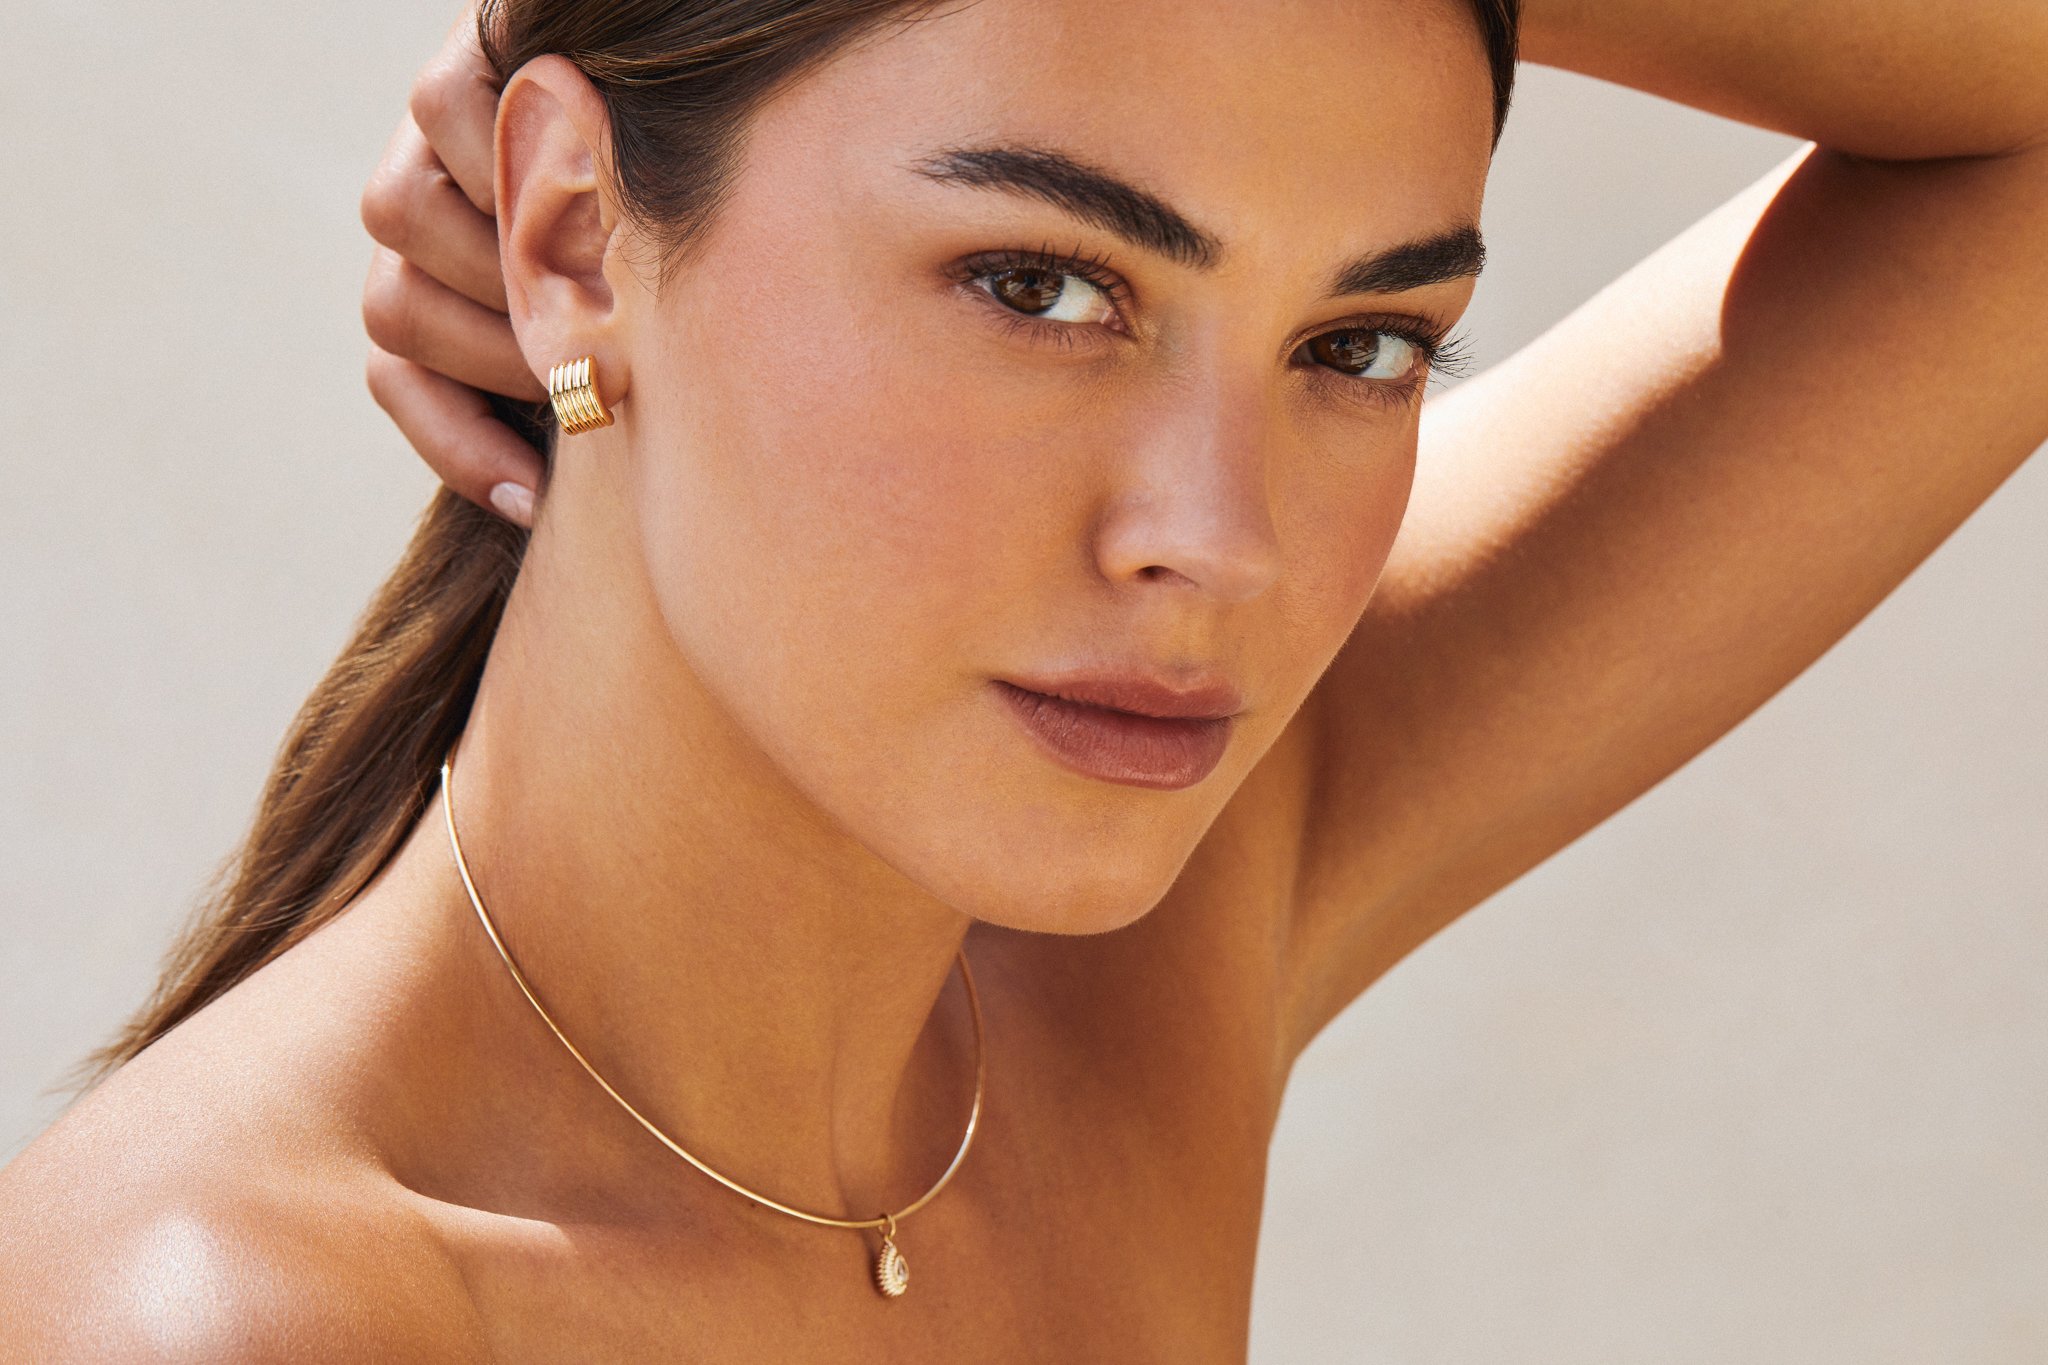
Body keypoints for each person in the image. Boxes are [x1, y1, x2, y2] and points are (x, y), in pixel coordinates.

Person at [2, 0, 2043, 1356]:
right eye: (1043, 286)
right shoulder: (244, 1325)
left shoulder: (1131, 962)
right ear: (563, 236)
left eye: (1361, 346)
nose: (1216, 538)